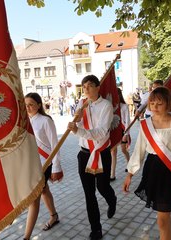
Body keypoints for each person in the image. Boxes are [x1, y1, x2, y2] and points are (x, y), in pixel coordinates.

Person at [123, 87, 171, 240]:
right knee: (163, 219)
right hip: (152, 171)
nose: (155, 107)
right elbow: (139, 150)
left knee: (162, 220)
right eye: (152, 104)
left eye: (159, 104)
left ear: (168, 104)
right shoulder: (145, 124)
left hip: (170, 172)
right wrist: (130, 174)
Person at [67, 75, 117, 240]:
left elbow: (102, 133)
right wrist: (77, 122)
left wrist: (78, 130)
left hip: (101, 152)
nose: (86, 89)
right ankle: (96, 228)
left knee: (103, 187)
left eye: (89, 86)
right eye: (83, 86)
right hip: (84, 154)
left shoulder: (106, 106)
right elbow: (79, 129)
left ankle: (112, 199)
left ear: (97, 87)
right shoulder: (82, 105)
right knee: (89, 194)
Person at [23, 93, 64, 240]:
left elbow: (55, 145)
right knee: (44, 190)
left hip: (45, 163)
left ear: (39, 105)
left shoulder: (46, 121)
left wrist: (56, 168)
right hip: (32, 163)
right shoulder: (25, 121)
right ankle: (54, 216)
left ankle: (26, 237)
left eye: (31, 104)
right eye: (26, 104)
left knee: (34, 199)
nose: (28, 107)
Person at [110, 88, 131, 181]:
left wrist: (126, 133)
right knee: (113, 152)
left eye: (117, 94)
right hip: (114, 130)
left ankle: (129, 164)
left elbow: (128, 121)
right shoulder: (111, 106)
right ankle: (112, 174)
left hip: (123, 130)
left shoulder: (124, 106)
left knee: (123, 150)